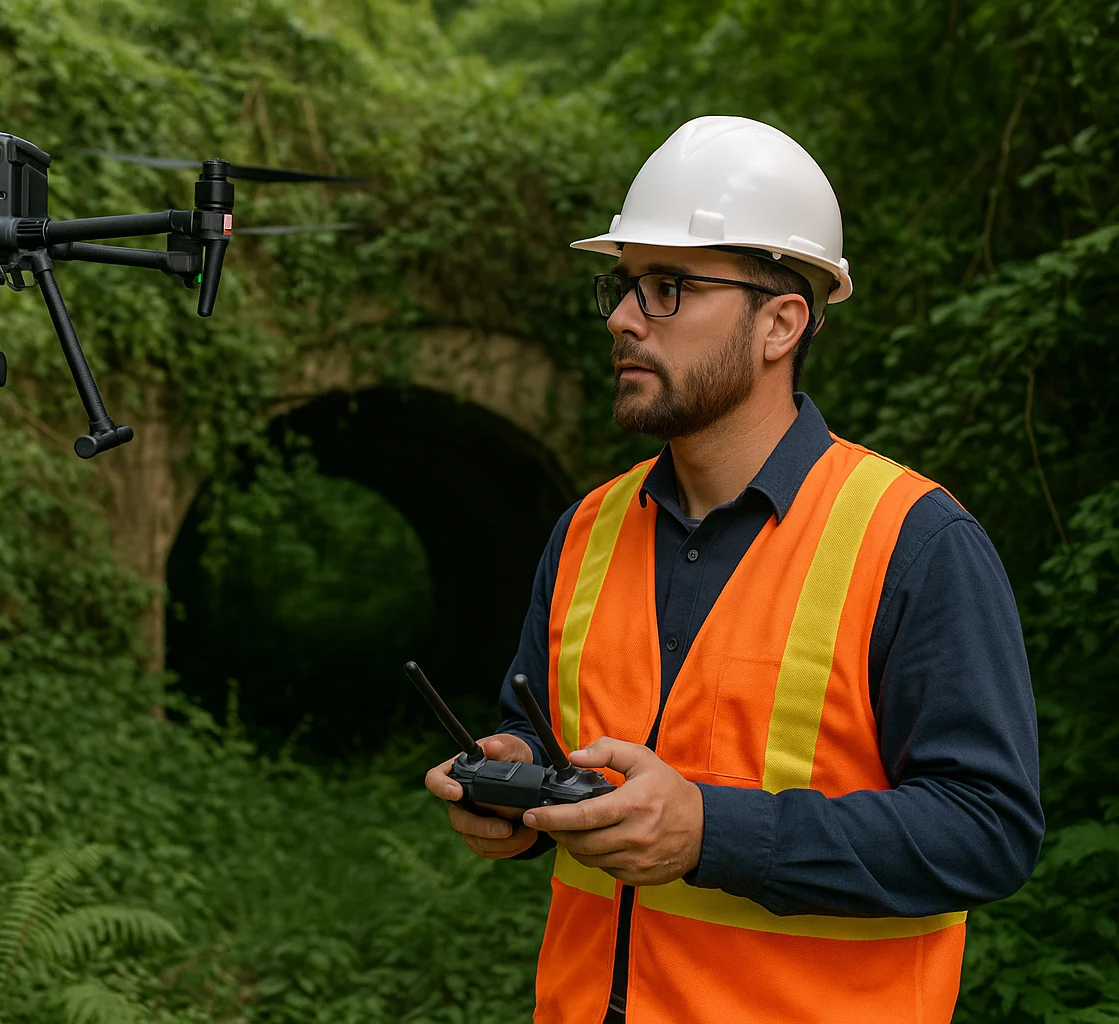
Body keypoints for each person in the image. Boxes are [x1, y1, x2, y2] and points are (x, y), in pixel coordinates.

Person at [422, 116, 1043, 1024]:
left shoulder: (914, 542)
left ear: (781, 324)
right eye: (625, 285)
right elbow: (541, 733)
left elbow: (987, 831)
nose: (625, 318)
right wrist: (510, 784)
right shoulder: (587, 529)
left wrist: (712, 832)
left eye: (669, 287)